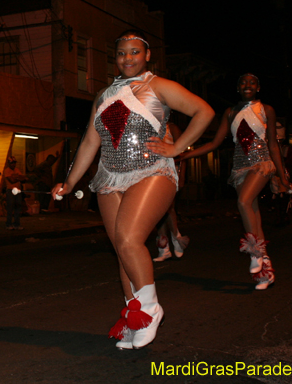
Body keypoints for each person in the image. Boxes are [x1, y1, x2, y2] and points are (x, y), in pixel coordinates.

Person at [51, 30, 214, 350]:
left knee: (128, 238)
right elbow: (89, 141)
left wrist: (177, 148)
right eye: (122, 53)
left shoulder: (159, 86)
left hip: (151, 171)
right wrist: (69, 182)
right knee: (122, 253)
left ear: (147, 55)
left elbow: (204, 112)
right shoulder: (102, 95)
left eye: (135, 52)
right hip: (109, 178)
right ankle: (133, 316)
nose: (128, 58)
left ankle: (151, 308)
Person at [179, 73, 292, 290]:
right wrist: (184, 155)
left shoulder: (266, 109)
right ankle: (265, 271)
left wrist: (282, 176)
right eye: (243, 82)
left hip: (261, 163)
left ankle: (255, 252)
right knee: (253, 214)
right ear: (237, 87)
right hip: (240, 168)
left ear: (258, 87)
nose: (247, 85)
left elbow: (273, 145)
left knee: (243, 202)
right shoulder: (230, 113)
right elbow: (214, 143)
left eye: (252, 82)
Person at [153, 123, 189, 262]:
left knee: (168, 207)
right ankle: (164, 248)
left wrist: (182, 175)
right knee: (158, 210)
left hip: (169, 171)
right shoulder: (148, 121)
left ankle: (176, 237)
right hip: (153, 171)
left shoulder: (173, 128)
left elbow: (183, 153)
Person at [3, 157, 27, 230]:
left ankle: (17, 224)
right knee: (10, 207)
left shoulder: (17, 170)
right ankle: (8, 224)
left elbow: (23, 178)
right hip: (10, 190)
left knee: (18, 207)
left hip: (18, 190)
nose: (14, 164)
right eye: (12, 163)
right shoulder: (7, 171)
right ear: (9, 163)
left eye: (14, 163)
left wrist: (16, 177)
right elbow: (11, 180)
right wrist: (18, 178)